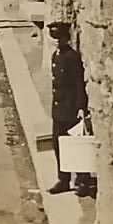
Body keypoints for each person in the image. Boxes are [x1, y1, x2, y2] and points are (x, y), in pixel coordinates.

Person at [46, 22, 93, 197]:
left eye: (60, 39)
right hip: (58, 108)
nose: (57, 43)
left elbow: (78, 83)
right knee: (59, 144)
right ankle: (63, 179)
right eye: (55, 40)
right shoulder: (56, 56)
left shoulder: (71, 57)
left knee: (76, 144)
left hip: (71, 107)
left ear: (66, 38)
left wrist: (81, 107)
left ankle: (82, 180)